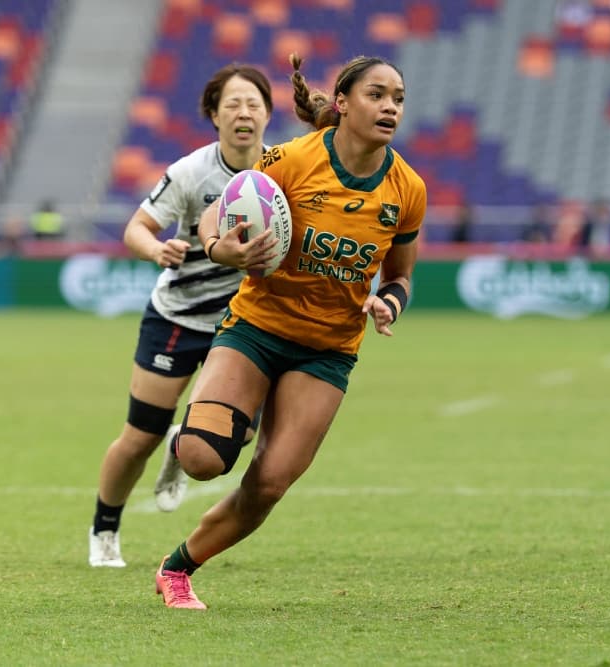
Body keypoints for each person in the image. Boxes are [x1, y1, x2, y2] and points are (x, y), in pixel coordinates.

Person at [153, 53, 427, 610]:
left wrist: (389, 306)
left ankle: (177, 568)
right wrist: (217, 246)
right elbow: (218, 211)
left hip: (327, 350)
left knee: (270, 484)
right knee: (204, 460)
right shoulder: (293, 159)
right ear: (343, 103)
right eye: (377, 95)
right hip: (257, 329)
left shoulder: (408, 189)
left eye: (398, 97)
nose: (391, 106)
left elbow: (401, 276)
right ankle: (211, 424)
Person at [88, 64, 274, 567]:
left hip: (242, 323)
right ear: (214, 115)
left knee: (240, 432)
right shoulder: (192, 171)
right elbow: (137, 227)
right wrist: (156, 250)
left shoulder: (282, 172)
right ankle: (104, 529)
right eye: (232, 103)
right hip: (176, 317)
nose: (243, 112)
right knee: (139, 436)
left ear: (267, 115)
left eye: (253, 103)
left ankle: (181, 443)